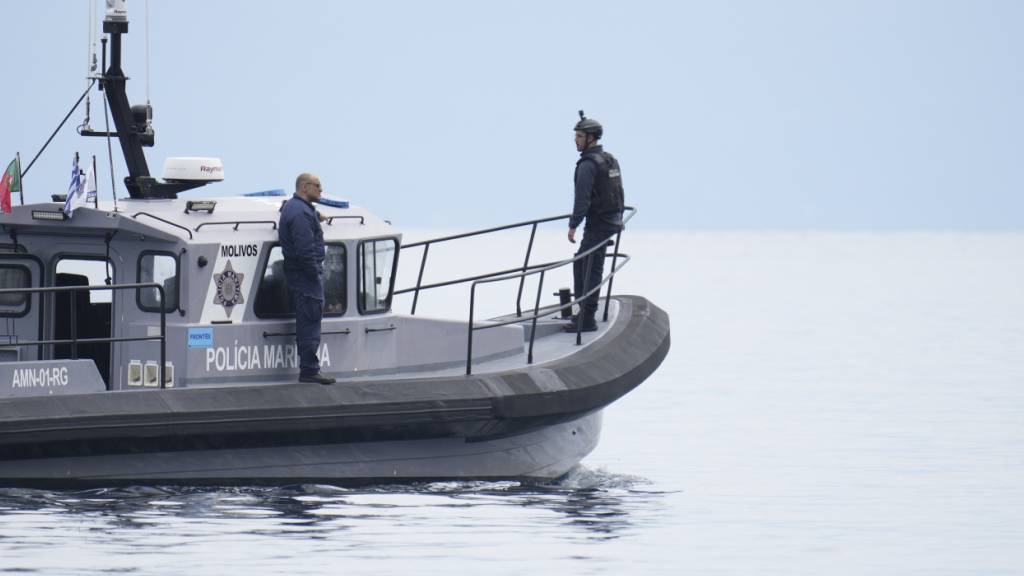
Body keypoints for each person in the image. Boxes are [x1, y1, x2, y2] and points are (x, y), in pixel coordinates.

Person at [565, 111, 625, 333]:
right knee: (590, 262)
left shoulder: (587, 165)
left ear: (591, 138)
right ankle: (585, 312)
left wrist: (573, 225)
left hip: (598, 224)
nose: (576, 140)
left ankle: (586, 317)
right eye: (576, 135)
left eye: (580, 136)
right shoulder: (609, 159)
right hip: (611, 222)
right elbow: (620, 192)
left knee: (585, 265)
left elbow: (582, 199)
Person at [279, 172, 335, 384]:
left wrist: (316, 215)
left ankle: (310, 369)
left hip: (300, 274)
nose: (321, 189)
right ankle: (310, 370)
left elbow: (297, 213)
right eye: (317, 185)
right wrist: (314, 275)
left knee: (308, 318)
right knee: (310, 320)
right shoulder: (300, 214)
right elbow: (305, 251)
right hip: (305, 276)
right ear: (304, 187)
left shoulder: (296, 208)